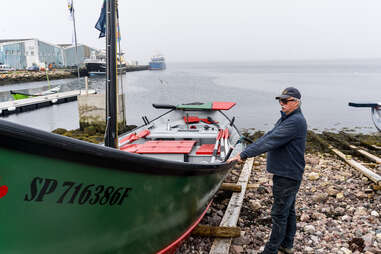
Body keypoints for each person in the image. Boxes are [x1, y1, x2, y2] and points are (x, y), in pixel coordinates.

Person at [228, 87, 307, 254]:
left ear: (296, 102)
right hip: (288, 172)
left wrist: (243, 155)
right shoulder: (287, 118)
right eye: (280, 100)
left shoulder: (295, 121)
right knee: (288, 210)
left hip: (287, 174)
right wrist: (246, 149)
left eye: (286, 101)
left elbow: (271, 140)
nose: (282, 104)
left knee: (279, 213)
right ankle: (287, 244)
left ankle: (271, 250)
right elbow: (268, 135)